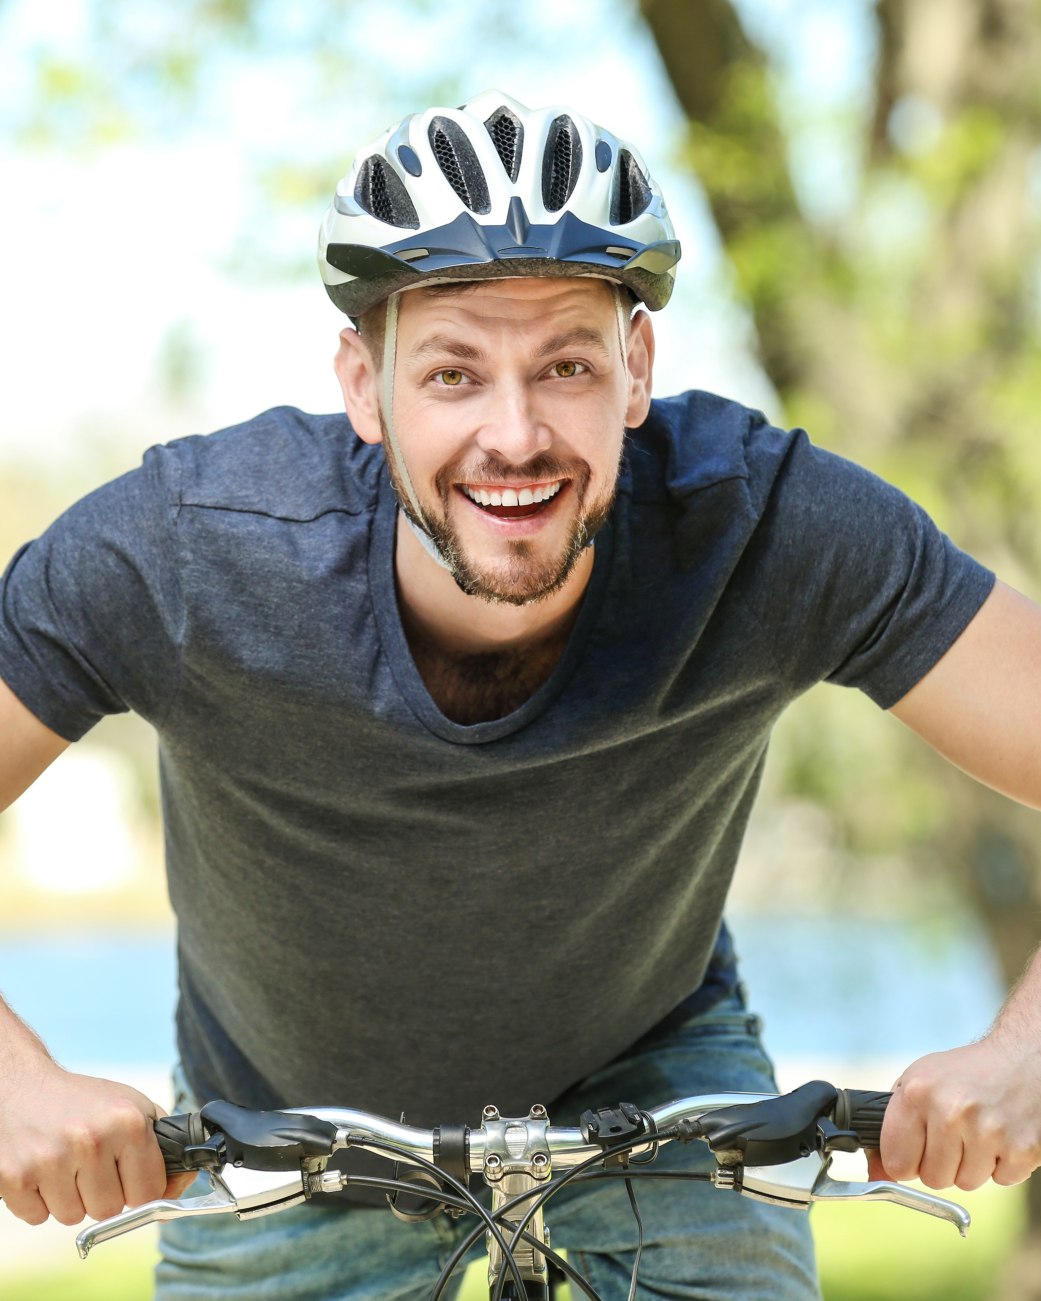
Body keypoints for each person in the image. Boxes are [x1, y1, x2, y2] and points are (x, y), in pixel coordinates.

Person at [1, 89, 1040, 1300]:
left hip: (660, 1093)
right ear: (362, 385)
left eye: (566, 364)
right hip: (278, 1132)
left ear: (636, 368)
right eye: (451, 372)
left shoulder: (775, 527)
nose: (516, 434)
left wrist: (1027, 1051)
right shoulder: (182, 555)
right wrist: (16, 1080)